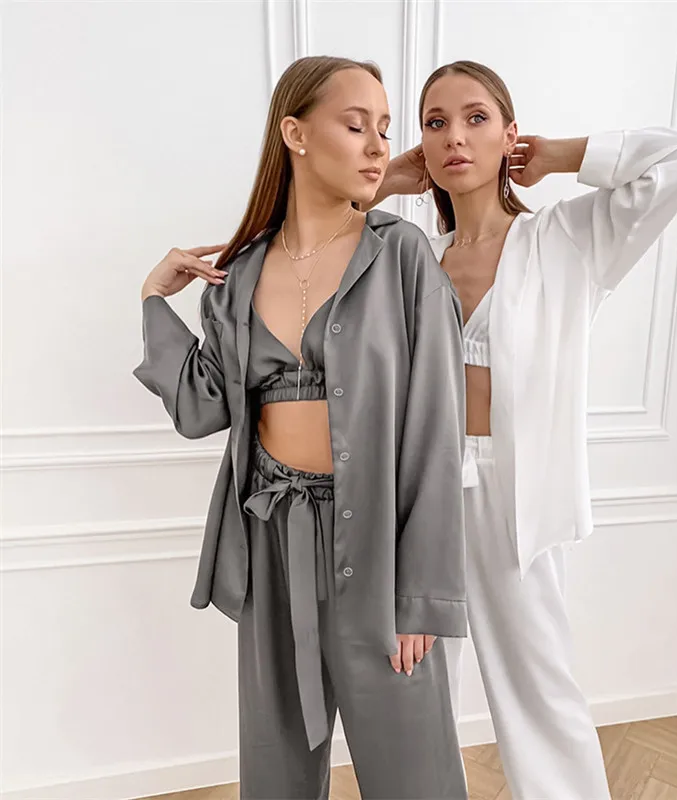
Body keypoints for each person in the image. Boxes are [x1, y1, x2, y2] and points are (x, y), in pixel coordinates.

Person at [370, 59, 677, 799]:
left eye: (476, 118)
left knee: (537, 684)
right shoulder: (410, 256)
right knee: (413, 681)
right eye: (435, 123)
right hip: (420, 488)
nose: (454, 136)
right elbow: (307, 242)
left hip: (516, 493)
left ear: (508, 134)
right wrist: (385, 184)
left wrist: (560, 155)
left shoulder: (567, 238)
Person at [133, 55, 469, 800]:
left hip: (377, 550)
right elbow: (201, 408)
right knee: (276, 765)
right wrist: (155, 299)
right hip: (269, 543)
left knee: (414, 772)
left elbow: (435, 431)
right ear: (296, 133)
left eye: (385, 129)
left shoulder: (402, 256)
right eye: (356, 126)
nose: (379, 146)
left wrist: (420, 592)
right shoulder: (239, 275)